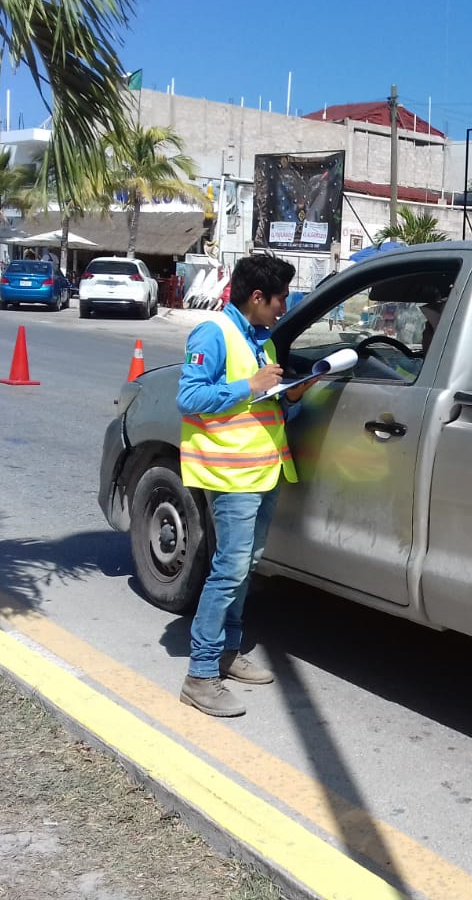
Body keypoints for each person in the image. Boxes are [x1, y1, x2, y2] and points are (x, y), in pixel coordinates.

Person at [176, 253, 319, 717]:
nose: (284, 307)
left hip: (264, 471)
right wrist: (251, 386)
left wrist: (289, 396)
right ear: (257, 297)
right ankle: (200, 675)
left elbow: (263, 406)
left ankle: (228, 651)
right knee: (229, 570)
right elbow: (189, 397)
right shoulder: (213, 333)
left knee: (245, 566)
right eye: (280, 299)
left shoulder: (264, 342)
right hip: (231, 474)